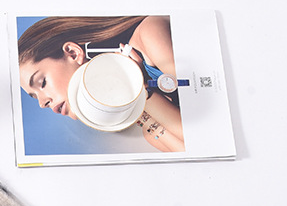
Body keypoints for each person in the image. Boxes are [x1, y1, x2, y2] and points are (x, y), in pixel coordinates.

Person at [17, 16, 184, 152]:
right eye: (35, 97)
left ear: (73, 53)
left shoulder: (150, 34)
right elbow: (193, 151)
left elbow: (198, 135)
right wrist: (140, 92)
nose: (42, 104)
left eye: (42, 83)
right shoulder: (150, 129)